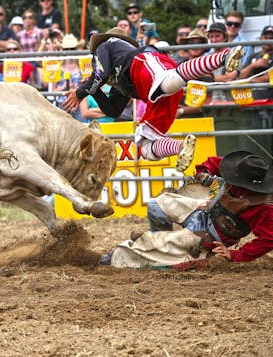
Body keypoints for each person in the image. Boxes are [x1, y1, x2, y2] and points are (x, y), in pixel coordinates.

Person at [62, 27, 245, 172]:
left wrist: (80, 92)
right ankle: (180, 147)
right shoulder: (119, 80)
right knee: (145, 145)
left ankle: (223, 56)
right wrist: (94, 91)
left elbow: (99, 74)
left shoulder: (107, 45)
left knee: (167, 82)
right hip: (155, 92)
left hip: (147, 66)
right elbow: (113, 110)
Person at [101, 151, 273, 269]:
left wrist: (235, 255)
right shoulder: (241, 168)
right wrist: (204, 173)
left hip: (211, 236)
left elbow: (269, 238)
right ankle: (160, 244)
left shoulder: (263, 207)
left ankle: (145, 248)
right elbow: (213, 163)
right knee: (157, 204)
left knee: (157, 242)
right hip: (204, 211)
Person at [238, 25, 273, 100]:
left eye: (271, 38)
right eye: (266, 38)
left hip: (270, 101)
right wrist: (253, 66)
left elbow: (270, 77)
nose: (268, 40)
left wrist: (251, 80)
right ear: (260, 39)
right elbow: (241, 76)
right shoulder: (253, 56)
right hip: (251, 99)